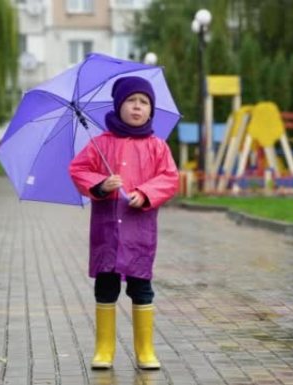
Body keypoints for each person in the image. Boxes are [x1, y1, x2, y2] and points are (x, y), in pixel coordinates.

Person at [69, 76, 179, 370]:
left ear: (151, 110)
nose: (137, 107)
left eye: (144, 102)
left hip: (139, 232)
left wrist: (145, 193)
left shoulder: (157, 146)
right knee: (106, 287)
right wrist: (102, 184)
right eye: (131, 101)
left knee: (142, 287)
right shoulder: (100, 144)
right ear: (119, 106)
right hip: (107, 232)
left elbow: (169, 178)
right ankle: (104, 349)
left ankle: (145, 350)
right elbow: (79, 169)